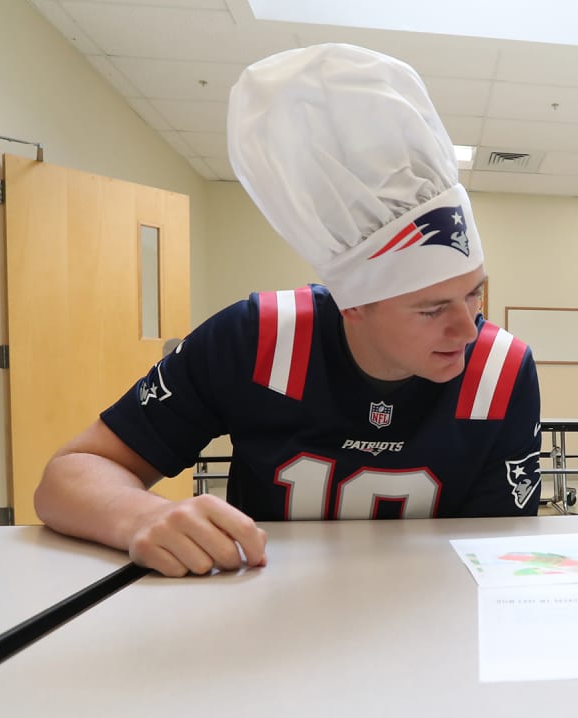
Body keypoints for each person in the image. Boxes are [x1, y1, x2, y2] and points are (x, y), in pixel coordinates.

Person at [33, 44, 543, 577]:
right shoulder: (256, 338)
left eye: (474, 293)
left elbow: (497, 555)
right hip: (262, 618)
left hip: (430, 621)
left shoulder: (502, 370)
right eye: (431, 308)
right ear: (353, 307)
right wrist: (139, 516)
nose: (467, 329)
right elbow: (70, 474)